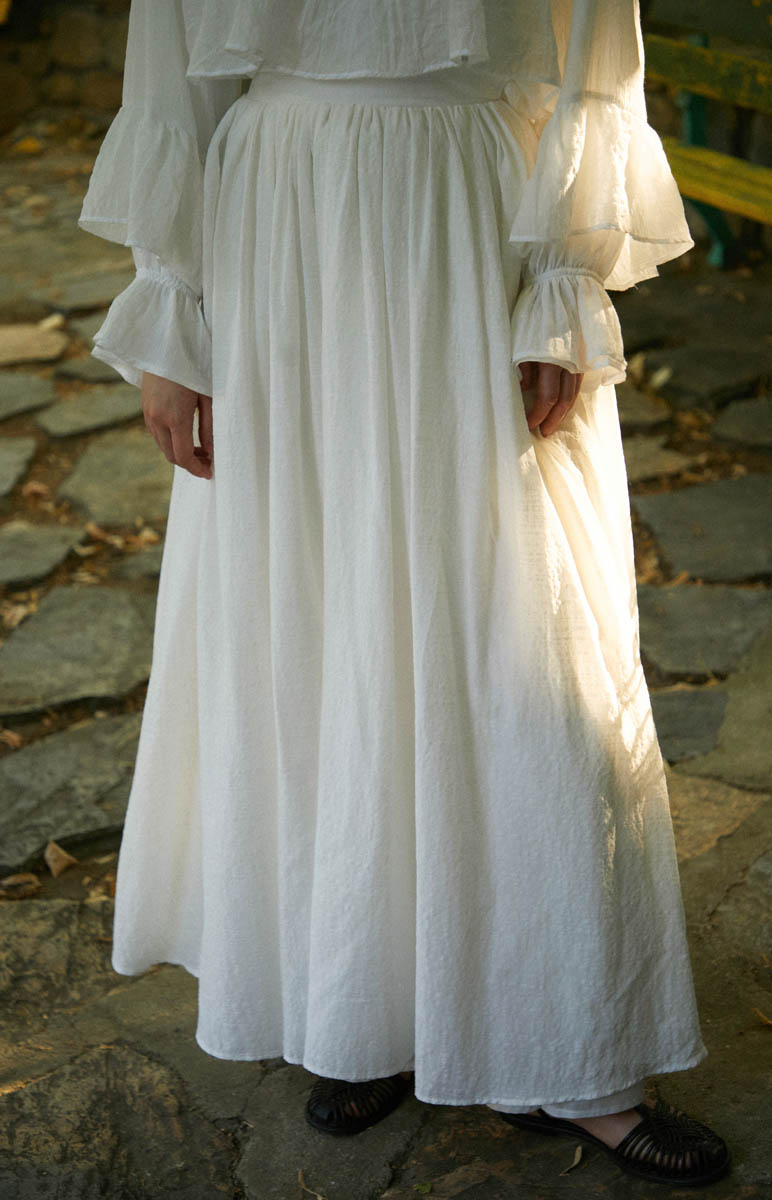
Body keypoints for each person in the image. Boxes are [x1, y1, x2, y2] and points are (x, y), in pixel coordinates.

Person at [78, 0, 730, 1187]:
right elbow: (175, 64)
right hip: (279, 233)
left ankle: (572, 1054)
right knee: (319, 631)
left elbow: (594, 46)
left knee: (519, 626)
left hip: (471, 219)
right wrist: (172, 310)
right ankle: (361, 1008)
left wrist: (562, 279)